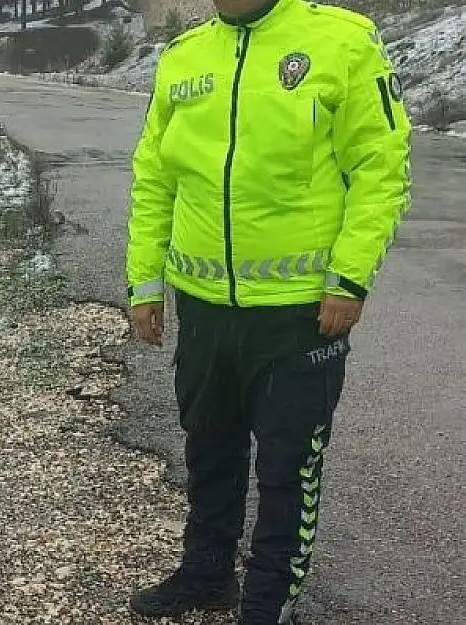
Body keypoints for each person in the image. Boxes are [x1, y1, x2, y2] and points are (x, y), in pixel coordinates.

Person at [123, 0, 413, 623]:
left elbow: (379, 169)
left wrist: (350, 276)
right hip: (203, 308)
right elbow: (155, 179)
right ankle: (206, 573)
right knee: (210, 447)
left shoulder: (342, 41)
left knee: (289, 464)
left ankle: (269, 600)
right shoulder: (182, 56)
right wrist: (144, 286)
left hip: (300, 312)